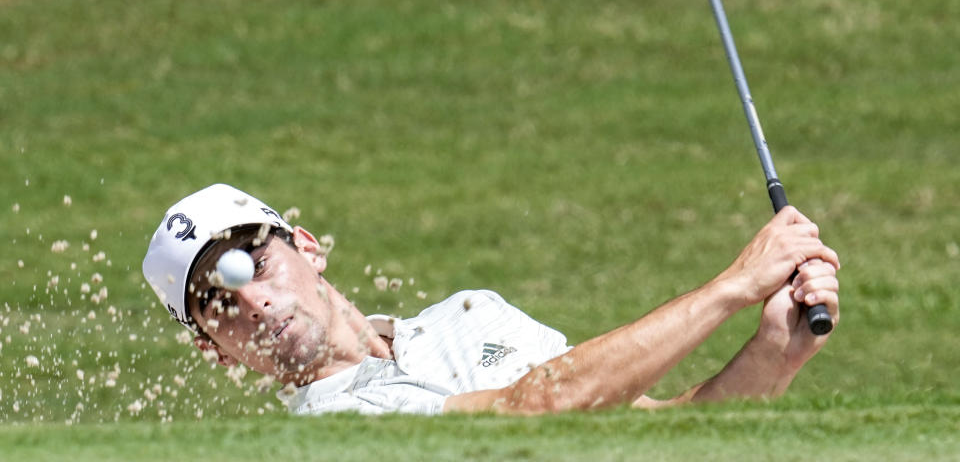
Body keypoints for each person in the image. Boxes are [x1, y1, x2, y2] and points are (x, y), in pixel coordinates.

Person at [143, 183, 840, 415]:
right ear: (214, 353)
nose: (256, 305)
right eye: (220, 306)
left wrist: (775, 348)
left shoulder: (469, 313)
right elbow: (529, 410)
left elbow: (658, 431)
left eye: (257, 266)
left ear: (307, 246)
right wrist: (730, 288)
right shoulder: (331, 427)